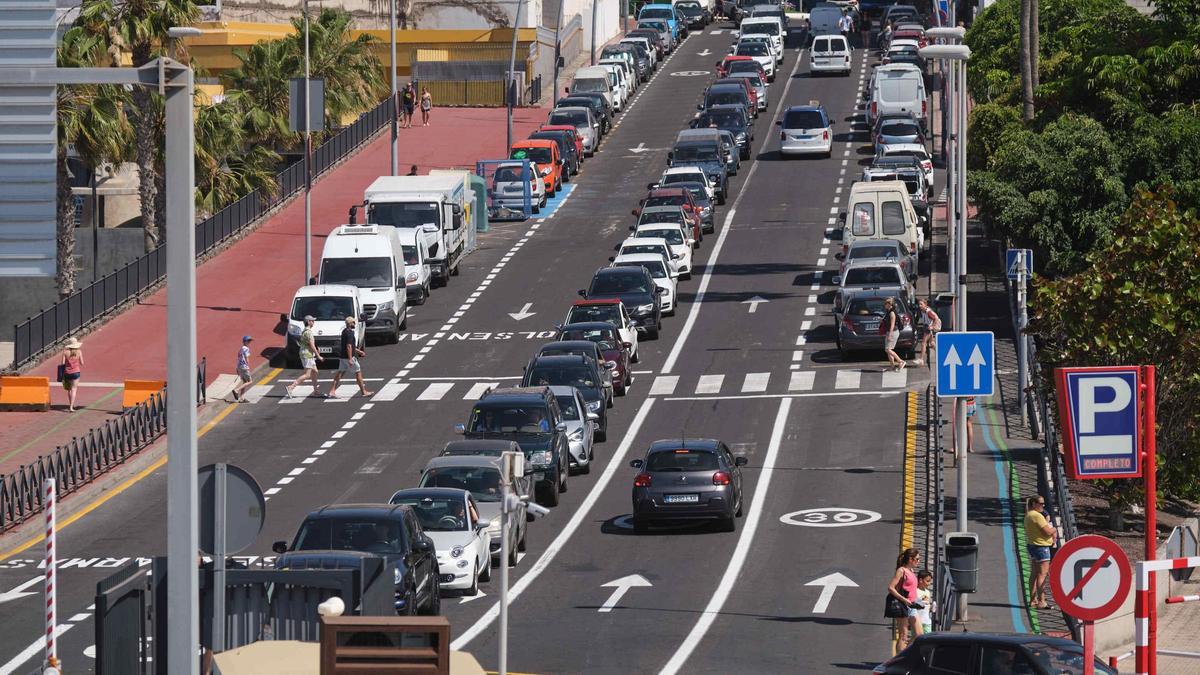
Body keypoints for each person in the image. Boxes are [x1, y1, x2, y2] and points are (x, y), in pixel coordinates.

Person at [888, 548, 924, 654]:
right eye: (917, 559)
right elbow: (891, 588)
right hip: (902, 606)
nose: (919, 561)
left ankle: (905, 654)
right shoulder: (901, 571)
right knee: (903, 635)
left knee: (919, 634)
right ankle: (899, 659)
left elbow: (911, 589)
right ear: (910, 559)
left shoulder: (911, 571)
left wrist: (918, 601)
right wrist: (904, 599)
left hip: (912, 606)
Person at [327, 316, 372, 398]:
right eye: (353, 322)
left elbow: (350, 346)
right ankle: (363, 391)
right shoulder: (350, 333)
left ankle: (332, 391)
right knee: (358, 372)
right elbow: (349, 346)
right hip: (348, 357)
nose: (355, 324)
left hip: (343, 357)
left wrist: (359, 351)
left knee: (340, 373)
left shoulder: (344, 331)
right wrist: (350, 358)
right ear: (350, 323)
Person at [1025, 495, 1056, 609]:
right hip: (1041, 547)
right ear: (1034, 504)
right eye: (1041, 503)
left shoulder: (1028, 515)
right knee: (1042, 575)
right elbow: (1047, 532)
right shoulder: (1037, 516)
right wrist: (1054, 529)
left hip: (1032, 546)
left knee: (1034, 573)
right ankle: (1042, 602)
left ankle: (1033, 600)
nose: (1043, 505)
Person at [286, 315, 324, 398]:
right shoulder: (308, 332)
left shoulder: (305, 331)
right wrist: (318, 356)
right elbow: (312, 345)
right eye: (312, 321)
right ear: (308, 322)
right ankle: (291, 387)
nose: (313, 322)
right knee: (307, 374)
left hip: (307, 354)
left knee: (315, 371)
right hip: (307, 354)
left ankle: (316, 391)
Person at [915, 298, 941, 367]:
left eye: (921, 304)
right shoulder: (922, 311)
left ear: (925, 304)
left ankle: (921, 359)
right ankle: (941, 354)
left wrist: (932, 326)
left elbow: (935, 319)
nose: (919, 306)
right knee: (932, 343)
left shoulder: (928, 312)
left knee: (923, 343)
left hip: (930, 327)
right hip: (928, 326)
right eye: (919, 304)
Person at [60, 337, 84, 412]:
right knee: (74, 389)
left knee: (69, 389)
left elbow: (62, 363)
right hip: (76, 372)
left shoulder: (65, 352)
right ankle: (71, 407)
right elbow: (82, 363)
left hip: (67, 372)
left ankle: (71, 404)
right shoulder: (79, 352)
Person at [882, 297, 905, 371]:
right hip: (889, 331)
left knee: (888, 349)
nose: (884, 305)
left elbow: (892, 324)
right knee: (888, 349)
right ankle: (892, 366)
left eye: (885, 303)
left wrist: (890, 334)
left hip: (893, 332)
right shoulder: (888, 312)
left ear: (889, 304)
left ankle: (901, 361)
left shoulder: (892, 313)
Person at [232, 335, 254, 402]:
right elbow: (247, 358)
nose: (249, 342)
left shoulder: (241, 349)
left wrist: (237, 368)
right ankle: (236, 390)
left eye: (250, 341)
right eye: (248, 341)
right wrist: (248, 366)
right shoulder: (246, 349)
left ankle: (242, 398)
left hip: (240, 367)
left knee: (245, 381)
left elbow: (239, 359)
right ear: (245, 341)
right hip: (244, 367)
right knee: (250, 381)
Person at [915, 570, 934, 634]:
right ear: (920, 580)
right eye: (927, 581)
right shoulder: (915, 591)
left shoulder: (927, 592)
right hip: (916, 620)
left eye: (930, 581)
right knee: (917, 637)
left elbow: (927, 606)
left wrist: (931, 607)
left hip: (927, 620)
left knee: (928, 637)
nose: (929, 583)